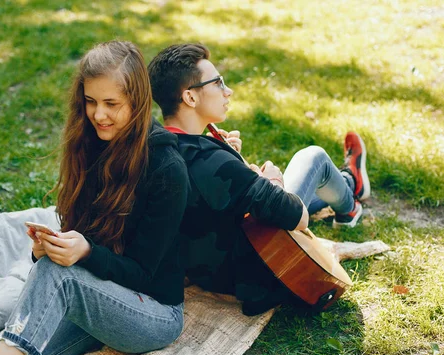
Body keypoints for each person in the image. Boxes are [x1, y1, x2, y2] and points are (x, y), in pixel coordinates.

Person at [0, 40, 189, 355]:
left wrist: (84, 254)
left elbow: (143, 274)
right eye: (91, 101)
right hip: (95, 292)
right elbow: (79, 233)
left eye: (112, 104)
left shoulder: (166, 168)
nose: (99, 114)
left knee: (55, 281)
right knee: (15, 350)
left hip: (153, 313)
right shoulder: (89, 144)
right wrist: (46, 249)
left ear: (137, 101)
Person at [147, 43, 369, 316]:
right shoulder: (213, 162)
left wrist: (230, 160)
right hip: (260, 265)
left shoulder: (163, 148)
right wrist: (272, 181)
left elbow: (212, 196)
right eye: (218, 83)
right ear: (190, 98)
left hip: (210, 269)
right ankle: (349, 200)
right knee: (314, 158)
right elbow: (298, 217)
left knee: (289, 184)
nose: (228, 91)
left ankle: (347, 185)